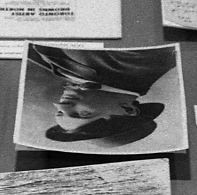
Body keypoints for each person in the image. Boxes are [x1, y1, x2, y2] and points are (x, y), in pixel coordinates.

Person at [28, 44, 177, 146]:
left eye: (60, 112)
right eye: (84, 113)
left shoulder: (61, 73)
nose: (61, 105)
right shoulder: (145, 60)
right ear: (128, 110)